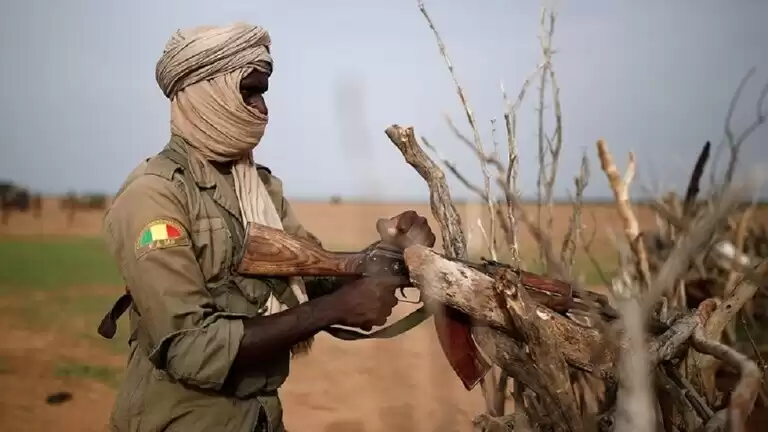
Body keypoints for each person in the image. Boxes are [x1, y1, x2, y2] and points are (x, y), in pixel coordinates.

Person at [99, 22, 436, 432]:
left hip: (261, 418)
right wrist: (336, 309)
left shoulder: (258, 186)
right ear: (208, 93)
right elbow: (190, 349)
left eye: (263, 93)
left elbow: (307, 277)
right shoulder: (154, 196)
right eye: (249, 92)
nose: (262, 108)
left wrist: (385, 256)